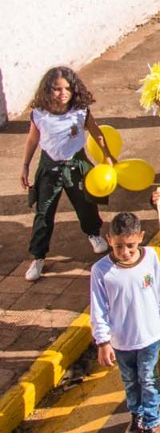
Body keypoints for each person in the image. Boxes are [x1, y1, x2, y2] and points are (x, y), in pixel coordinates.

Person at [90, 211, 160, 433]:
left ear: (141, 238)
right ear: (109, 239)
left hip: (149, 336)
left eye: (130, 245)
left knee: (148, 379)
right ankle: (137, 415)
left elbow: (159, 287)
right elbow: (98, 309)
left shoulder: (150, 258)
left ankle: (152, 423)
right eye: (118, 246)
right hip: (121, 340)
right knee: (130, 381)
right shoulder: (100, 271)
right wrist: (103, 341)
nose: (125, 251)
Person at [21, 66, 110, 283]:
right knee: (44, 213)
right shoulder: (39, 113)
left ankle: (93, 233)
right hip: (49, 168)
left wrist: (107, 156)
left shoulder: (80, 111)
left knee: (86, 203)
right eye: (57, 89)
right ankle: (38, 257)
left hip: (76, 165)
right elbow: (33, 139)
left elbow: (97, 132)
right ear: (47, 90)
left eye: (68, 89)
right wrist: (25, 165)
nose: (63, 93)